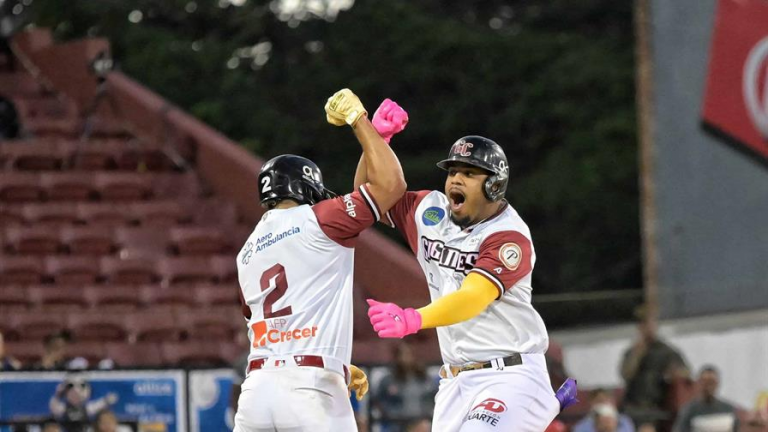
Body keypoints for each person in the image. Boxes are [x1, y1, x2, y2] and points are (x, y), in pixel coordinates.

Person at [360, 108, 576, 431]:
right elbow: (370, 195)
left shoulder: (508, 236)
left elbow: (473, 296)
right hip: (453, 381)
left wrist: (413, 319)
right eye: (453, 172)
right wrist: (375, 140)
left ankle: (540, 401)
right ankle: (546, 406)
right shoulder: (430, 212)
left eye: (470, 173)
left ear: (494, 186)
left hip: (509, 374)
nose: (456, 179)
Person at [232, 88, 407, 431]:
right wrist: (360, 121)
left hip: (256, 390)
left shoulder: (247, 249)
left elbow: (260, 320)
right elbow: (390, 185)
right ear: (307, 189)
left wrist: (336, 359)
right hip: (310, 387)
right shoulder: (321, 218)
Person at [620, 306, 689, 423]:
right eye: (644, 324)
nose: (648, 327)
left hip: (656, 406)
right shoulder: (632, 351)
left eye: (651, 323)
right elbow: (625, 375)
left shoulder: (666, 351)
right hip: (631, 406)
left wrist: (675, 374)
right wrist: (637, 355)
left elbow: (686, 373)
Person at [374, 343, 438, 430]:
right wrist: (391, 416)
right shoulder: (388, 380)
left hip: (421, 421)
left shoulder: (425, 378)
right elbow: (378, 401)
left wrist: (427, 415)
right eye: (403, 354)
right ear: (396, 357)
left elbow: (435, 398)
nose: (407, 358)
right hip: (396, 424)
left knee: (424, 426)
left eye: (410, 354)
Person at [672, 366, 739, 432]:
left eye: (711, 382)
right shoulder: (689, 411)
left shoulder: (729, 410)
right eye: (705, 382)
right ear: (699, 384)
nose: (708, 386)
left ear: (717, 383)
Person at [49, 376, 118, 432]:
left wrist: (106, 400)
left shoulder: (87, 408)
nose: (76, 393)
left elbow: (96, 406)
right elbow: (53, 407)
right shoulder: (63, 409)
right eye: (71, 387)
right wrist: (58, 394)